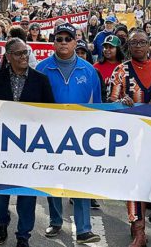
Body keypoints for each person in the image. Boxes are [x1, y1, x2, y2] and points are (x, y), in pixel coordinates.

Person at [107, 30, 151, 247]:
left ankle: (147, 219)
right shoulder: (121, 70)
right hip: (130, 138)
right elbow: (111, 100)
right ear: (128, 46)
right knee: (134, 182)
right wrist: (123, 102)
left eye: (142, 42)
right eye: (134, 42)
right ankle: (138, 230)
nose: (138, 46)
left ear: (149, 46)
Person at [0, 38, 55, 247]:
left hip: (31, 150)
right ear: (8, 57)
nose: (24, 56)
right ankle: (2, 221)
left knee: (27, 197)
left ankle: (23, 235)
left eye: (26, 52)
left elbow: (51, 113)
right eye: (18, 53)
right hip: (2, 149)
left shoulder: (40, 80)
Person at [36, 23, 102, 244]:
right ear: (53, 42)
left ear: (76, 42)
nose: (63, 42)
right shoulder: (42, 68)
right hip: (50, 135)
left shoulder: (89, 70)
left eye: (68, 39)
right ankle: (55, 221)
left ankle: (84, 229)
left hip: (81, 137)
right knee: (53, 180)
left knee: (80, 180)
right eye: (59, 39)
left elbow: (99, 106)